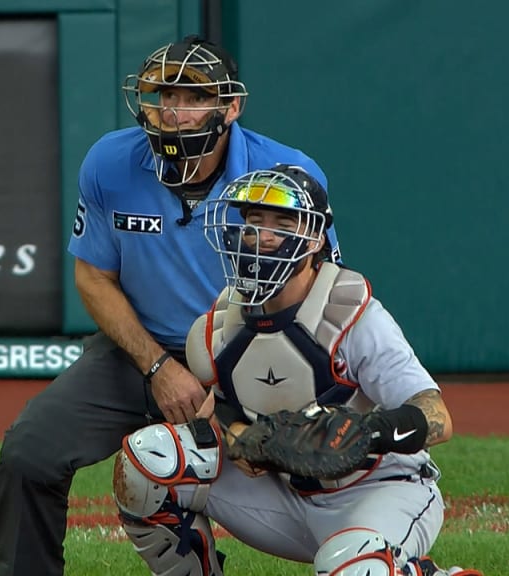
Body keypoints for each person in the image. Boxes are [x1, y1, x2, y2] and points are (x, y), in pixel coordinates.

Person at [0, 35, 342, 575]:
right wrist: (158, 367)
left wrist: (236, 379)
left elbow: (322, 290)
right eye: (160, 94)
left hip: (254, 347)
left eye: (193, 95)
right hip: (139, 347)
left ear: (232, 106)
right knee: (29, 452)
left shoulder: (287, 175)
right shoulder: (111, 161)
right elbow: (92, 277)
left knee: (332, 467)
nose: (172, 111)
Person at [112, 164, 482, 576]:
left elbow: (437, 417)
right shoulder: (220, 326)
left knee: (355, 570)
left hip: (379, 491)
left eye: (282, 222)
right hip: (284, 496)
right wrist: (241, 436)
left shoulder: (350, 316)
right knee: (148, 462)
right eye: (254, 220)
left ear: (315, 239)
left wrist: (364, 433)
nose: (262, 235)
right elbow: (221, 408)